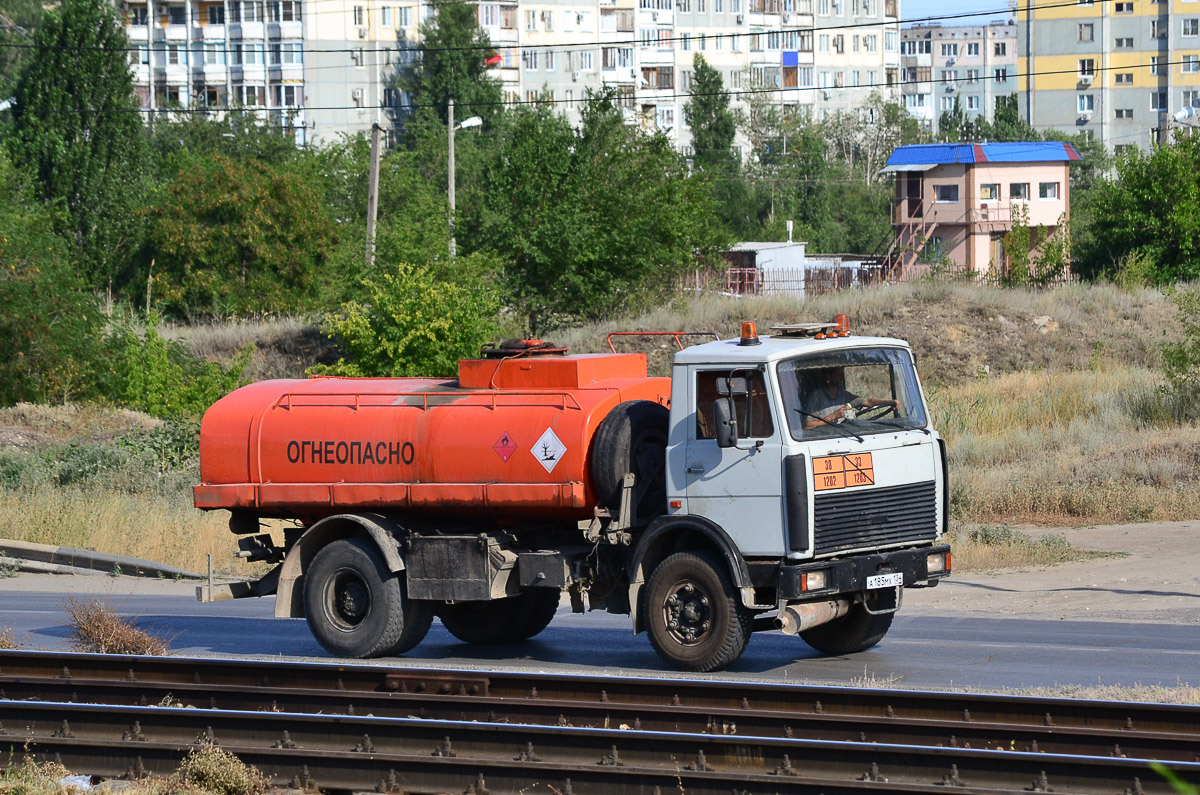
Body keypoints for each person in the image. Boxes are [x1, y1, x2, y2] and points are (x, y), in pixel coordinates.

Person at [804, 367, 896, 429]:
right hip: (824, 438)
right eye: (838, 374)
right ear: (828, 377)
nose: (842, 377)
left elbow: (868, 402)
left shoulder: (844, 395)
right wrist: (833, 416)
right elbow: (808, 425)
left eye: (842, 374)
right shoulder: (816, 397)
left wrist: (889, 402)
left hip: (846, 434)